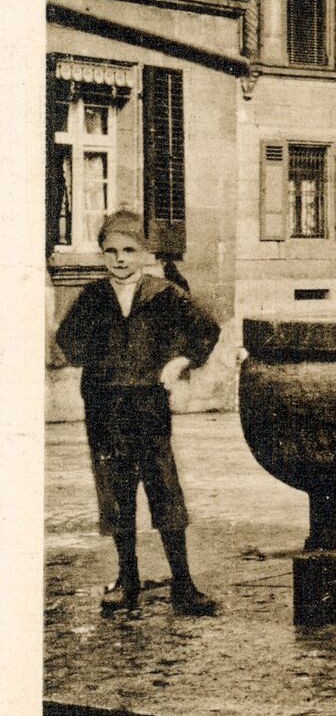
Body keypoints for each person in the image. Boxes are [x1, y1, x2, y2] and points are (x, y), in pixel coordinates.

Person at [54, 210, 220, 617]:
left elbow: (206, 329)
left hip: (148, 408)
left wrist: (178, 361)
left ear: (145, 252)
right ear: (102, 254)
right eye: (111, 251)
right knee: (116, 494)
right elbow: (67, 339)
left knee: (164, 490)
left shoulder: (164, 294)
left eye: (129, 250)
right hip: (105, 409)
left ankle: (183, 584)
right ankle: (126, 580)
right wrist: (103, 363)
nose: (120, 259)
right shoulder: (93, 297)